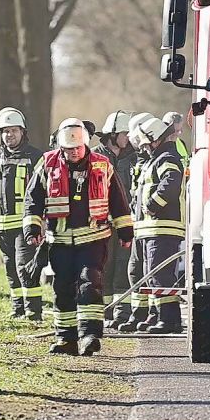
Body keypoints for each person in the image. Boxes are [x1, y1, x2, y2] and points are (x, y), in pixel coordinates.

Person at [23, 118, 134, 356]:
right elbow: (33, 200)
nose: (74, 153)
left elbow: (118, 200)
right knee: (63, 288)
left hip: (94, 239)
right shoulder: (47, 164)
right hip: (60, 241)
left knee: (88, 283)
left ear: (85, 144)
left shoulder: (102, 166)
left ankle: (89, 335)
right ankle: (66, 338)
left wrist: (125, 231)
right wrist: (32, 229)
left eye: (78, 148)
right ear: (61, 147)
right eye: (69, 149)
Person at [0, 107, 44, 320]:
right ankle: (18, 308)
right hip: (2, 227)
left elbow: (45, 192)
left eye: (13, 130)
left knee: (25, 267)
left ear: (23, 132)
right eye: (5, 131)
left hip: (26, 225)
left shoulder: (36, 158)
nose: (9, 135)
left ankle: (33, 310)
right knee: (11, 270)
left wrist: (43, 221)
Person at [132, 118, 186, 333]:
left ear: (154, 139)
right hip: (150, 229)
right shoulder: (155, 159)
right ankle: (157, 316)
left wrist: (153, 204)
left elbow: (172, 181)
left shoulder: (167, 158)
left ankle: (169, 319)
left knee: (160, 275)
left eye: (145, 142)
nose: (143, 147)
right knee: (151, 274)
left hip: (163, 227)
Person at [93, 111, 135, 328]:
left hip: (125, 222)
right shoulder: (94, 157)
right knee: (103, 267)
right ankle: (104, 311)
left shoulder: (134, 157)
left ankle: (122, 311)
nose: (128, 137)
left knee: (123, 265)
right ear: (112, 134)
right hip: (100, 223)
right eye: (124, 133)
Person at [117, 112, 157, 333]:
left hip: (155, 227)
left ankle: (156, 314)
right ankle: (139, 312)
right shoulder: (142, 160)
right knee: (135, 271)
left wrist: (150, 204)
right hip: (139, 226)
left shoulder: (160, 159)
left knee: (153, 273)